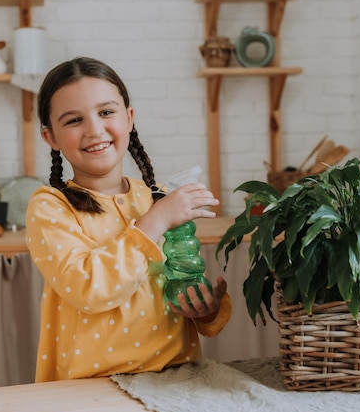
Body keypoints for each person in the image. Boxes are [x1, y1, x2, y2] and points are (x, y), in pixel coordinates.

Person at [26, 57, 231, 382]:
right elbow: (89, 289)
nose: (95, 129)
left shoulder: (156, 198)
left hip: (175, 381)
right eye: (74, 120)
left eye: (106, 112)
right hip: (92, 391)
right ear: (51, 137)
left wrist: (204, 311)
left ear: (129, 118)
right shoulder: (51, 206)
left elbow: (177, 284)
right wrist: (156, 220)